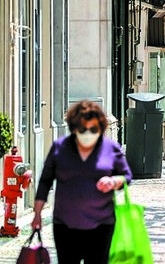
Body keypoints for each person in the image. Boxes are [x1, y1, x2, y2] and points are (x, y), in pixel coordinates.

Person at [32, 100, 133, 264]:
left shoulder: (111, 148)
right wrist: (37, 214)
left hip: (102, 225)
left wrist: (113, 181)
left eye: (93, 130)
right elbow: (45, 181)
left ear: (100, 128)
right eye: (82, 129)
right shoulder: (60, 148)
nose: (88, 134)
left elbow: (126, 176)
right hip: (65, 225)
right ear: (74, 128)